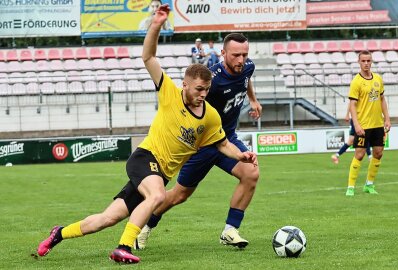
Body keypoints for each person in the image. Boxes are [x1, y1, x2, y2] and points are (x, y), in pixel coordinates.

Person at [36, 4, 257, 264]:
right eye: (198, 89)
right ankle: (124, 246)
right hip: (144, 158)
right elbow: (149, 58)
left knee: (105, 219)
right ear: (184, 85)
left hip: (158, 173)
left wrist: (241, 156)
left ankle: (58, 234)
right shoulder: (169, 93)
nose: (203, 95)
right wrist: (156, 25)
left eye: (206, 90)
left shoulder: (210, 115)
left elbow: (222, 145)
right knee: (158, 195)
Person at [135, 32, 262, 250]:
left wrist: (253, 99)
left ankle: (230, 230)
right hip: (201, 145)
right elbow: (187, 101)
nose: (241, 60)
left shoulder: (248, 66)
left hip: (227, 139)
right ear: (223, 53)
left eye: (244, 54)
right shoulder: (212, 80)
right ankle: (145, 226)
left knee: (251, 173)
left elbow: (246, 80)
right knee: (178, 195)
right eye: (235, 55)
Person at [345, 50, 391, 196]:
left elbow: (382, 99)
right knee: (359, 154)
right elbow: (352, 105)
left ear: (371, 62)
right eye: (363, 61)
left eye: (368, 61)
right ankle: (351, 187)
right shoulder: (356, 82)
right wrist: (356, 125)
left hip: (378, 124)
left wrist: (387, 118)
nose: (366, 63)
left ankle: (369, 185)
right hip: (363, 125)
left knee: (378, 153)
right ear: (359, 62)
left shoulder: (378, 79)